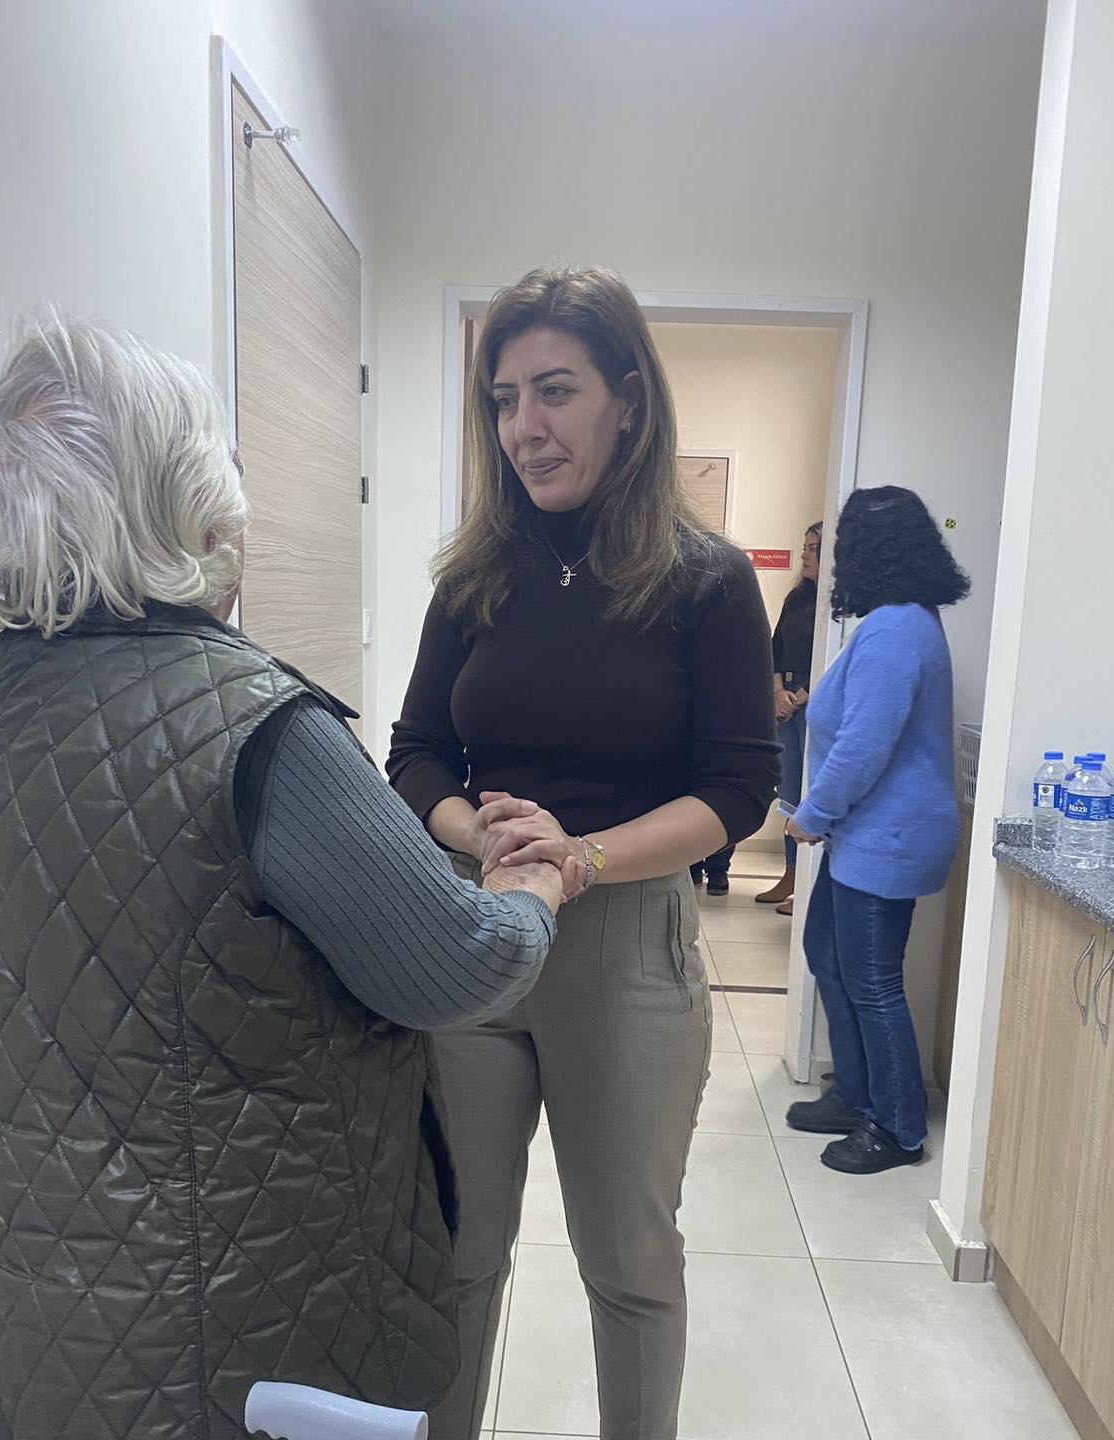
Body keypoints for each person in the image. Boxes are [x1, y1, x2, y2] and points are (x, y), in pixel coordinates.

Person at [0, 314, 567, 1440]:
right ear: (190, 503)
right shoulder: (256, 729)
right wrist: (535, 888)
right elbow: (457, 968)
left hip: (13, 1313)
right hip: (225, 1322)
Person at [388, 266, 780, 1440]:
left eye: (554, 390)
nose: (525, 426)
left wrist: (579, 859)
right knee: (457, 1254)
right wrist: (483, 836)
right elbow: (415, 756)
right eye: (504, 399)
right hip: (473, 939)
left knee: (629, 1264)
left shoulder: (705, 581)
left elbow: (737, 791)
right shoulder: (473, 578)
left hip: (623, 949)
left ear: (628, 399)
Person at [784, 486, 968, 1175]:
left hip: (886, 839)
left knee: (871, 980)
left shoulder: (896, 630)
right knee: (827, 953)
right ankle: (856, 1096)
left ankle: (896, 1129)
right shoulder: (902, 622)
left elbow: (865, 746)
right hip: (869, 836)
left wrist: (810, 816)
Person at [756, 522, 823, 914]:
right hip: (787, 700)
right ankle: (791, 873)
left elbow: (830, 658)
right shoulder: (797, 599)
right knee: (789, 792)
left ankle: (807, 880)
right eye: (804, 547)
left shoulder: (833, 606)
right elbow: (775, 648)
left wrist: (802, 696)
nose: (804, 554)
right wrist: (779, 691)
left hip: (813, 700)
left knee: (812, 787)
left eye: (812, 548)